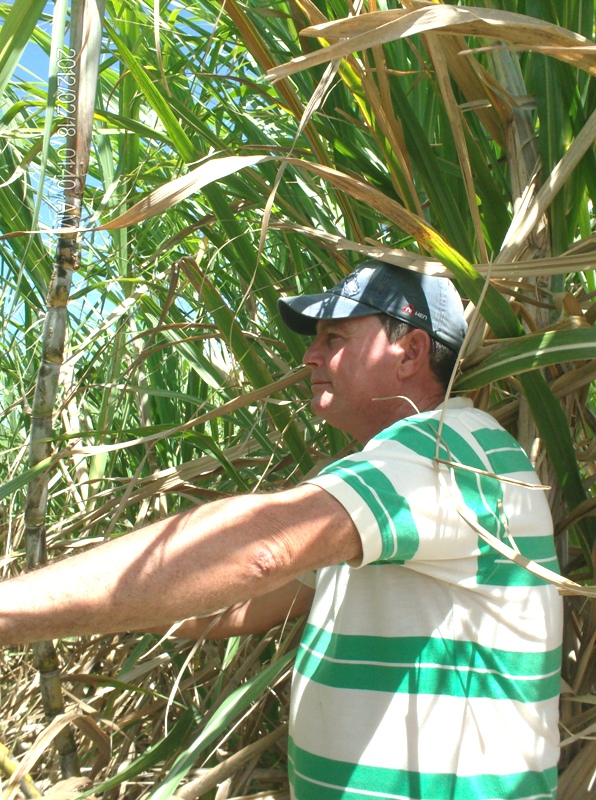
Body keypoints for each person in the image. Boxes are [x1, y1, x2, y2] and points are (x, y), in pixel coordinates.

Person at [1, 260, 562, 800]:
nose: (309, 356)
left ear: (410, 351)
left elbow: (261, 548)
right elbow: (241, 604)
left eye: (333, 338)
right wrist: (84, 605)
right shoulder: (386, 492)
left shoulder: (447, 451)